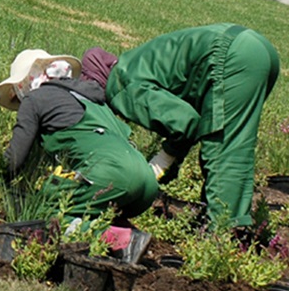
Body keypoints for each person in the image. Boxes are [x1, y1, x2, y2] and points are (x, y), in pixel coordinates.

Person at [102, 24, 280, 229]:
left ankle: (223, 233)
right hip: (256, 48)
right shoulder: (133, 64)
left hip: (232, 56)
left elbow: (185, 123)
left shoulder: (119, 85)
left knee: (223, 148)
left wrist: (162, 161)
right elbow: (188, 119)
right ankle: (218, 220)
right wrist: (168, 159)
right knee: (234, 140)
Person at [0, 49, 157, 259]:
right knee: (94, 206)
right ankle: (126, 232)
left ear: (24, 83)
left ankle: (118, 238)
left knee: (46, 210)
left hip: (113, 174)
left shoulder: (35, 99)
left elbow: (15, 159)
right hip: (146, 179)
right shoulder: (91, 98)